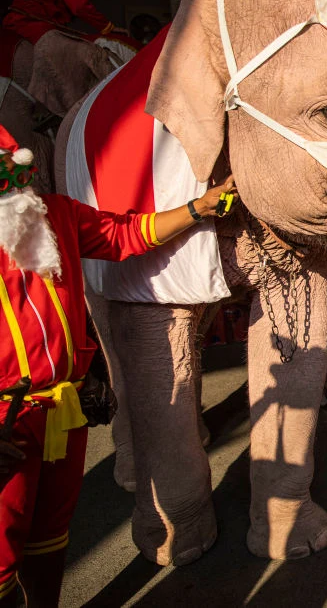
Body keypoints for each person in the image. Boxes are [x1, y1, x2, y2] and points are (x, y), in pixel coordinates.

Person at [0, 125, 235, 606]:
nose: (14, 182)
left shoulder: (55, 215)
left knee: (49, 542)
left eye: (14, 171)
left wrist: (200, 208)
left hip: (62, 412)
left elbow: (125, 233)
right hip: (6, 422)